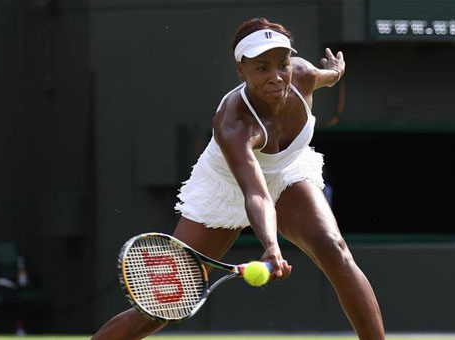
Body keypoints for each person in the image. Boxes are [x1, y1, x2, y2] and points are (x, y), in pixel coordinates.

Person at [93, 18, 385, 340]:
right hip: (229, 186)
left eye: (282, 64)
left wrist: (336, 71)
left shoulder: (301, 74)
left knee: (334, 248)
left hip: (288, 171)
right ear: (241, 72)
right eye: (262, 68)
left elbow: (327, 76)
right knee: (163, 305)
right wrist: (272, 247)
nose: (276, 76)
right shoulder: (234, 123)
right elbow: (256, 194)